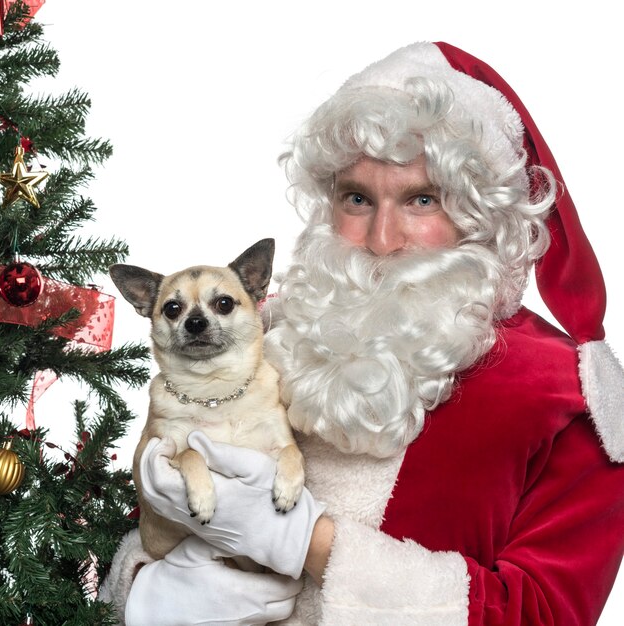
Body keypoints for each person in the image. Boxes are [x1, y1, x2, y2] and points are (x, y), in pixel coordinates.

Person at [99, 42, 624, 625]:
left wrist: (308, 545)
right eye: (358, 199)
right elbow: (156, 527)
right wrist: (143, 594)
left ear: (482, 216)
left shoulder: (565, 394)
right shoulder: (270, 335)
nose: (381, 238)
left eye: (422, 199)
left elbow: (545, 613)